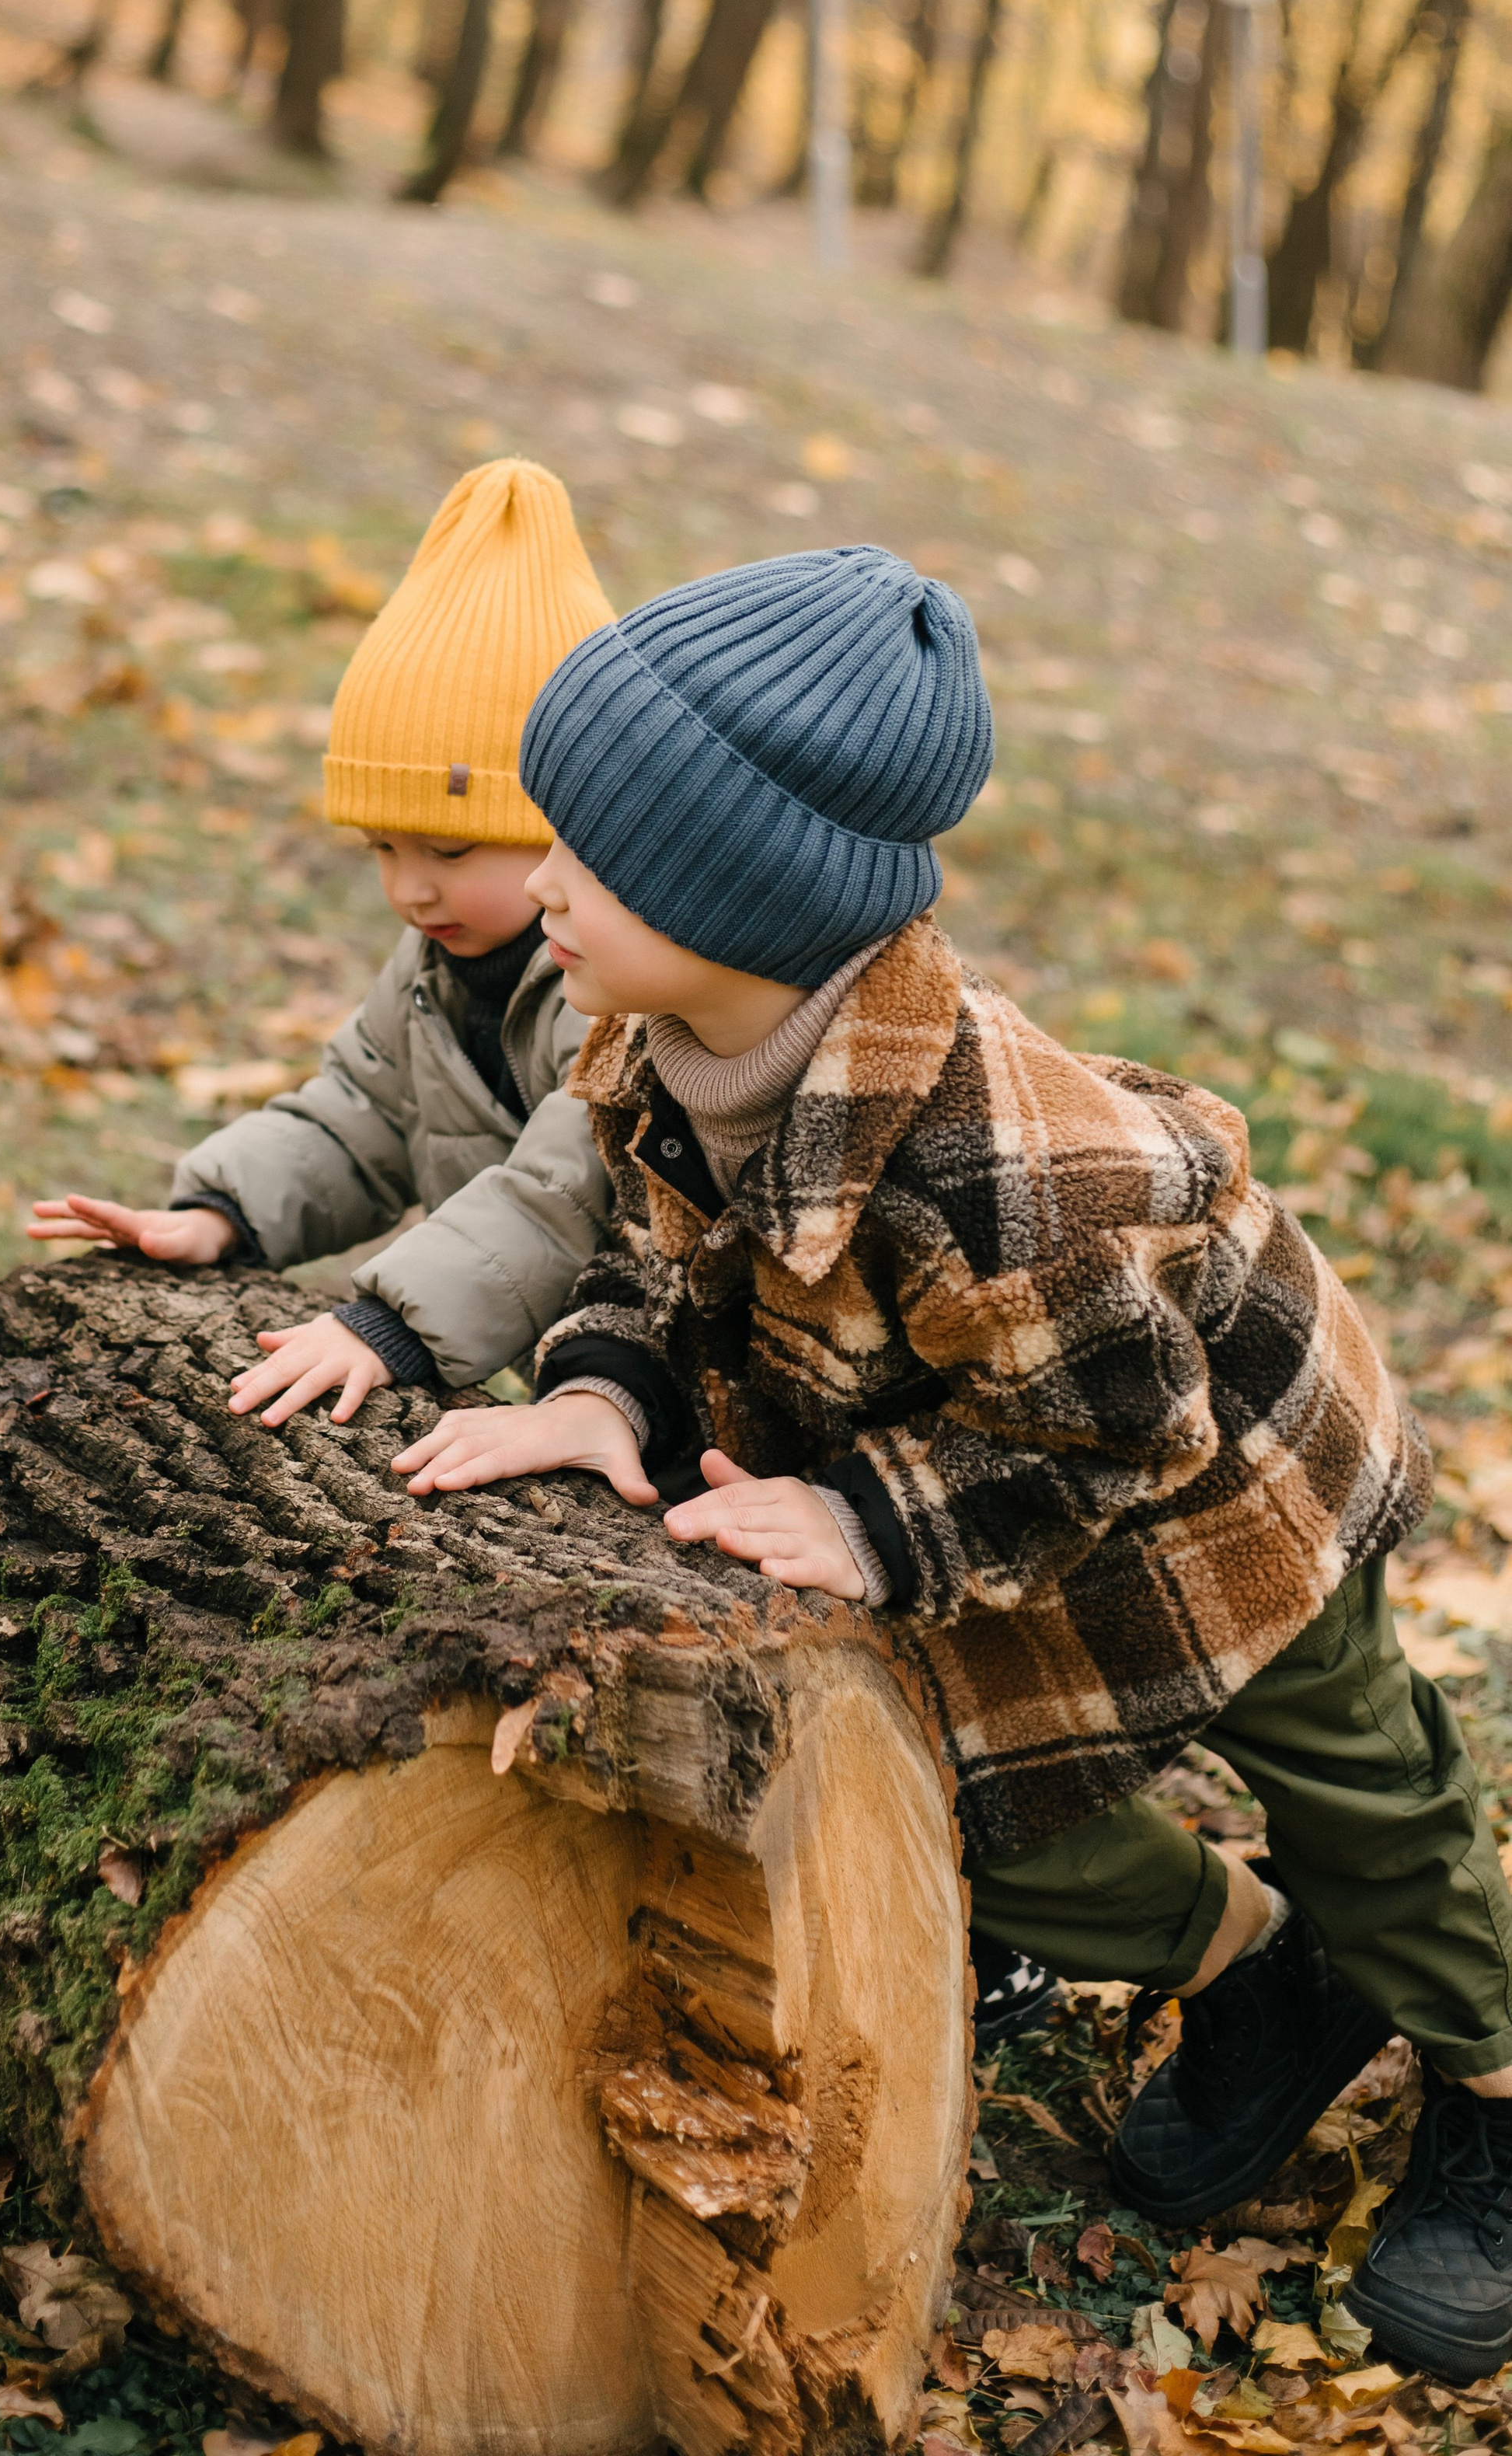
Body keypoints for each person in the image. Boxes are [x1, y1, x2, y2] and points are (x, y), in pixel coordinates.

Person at [392, 542, 1512, 2384]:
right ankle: (1257, 1972)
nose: (542, 885)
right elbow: (647, 1252)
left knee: (1366, 1806)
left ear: (737, 896)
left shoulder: (1003, 1170)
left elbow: (1118, 1420)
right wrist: (602, 1387)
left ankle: (1482, 2085)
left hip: (1222, 1493)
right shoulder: (650, 1033)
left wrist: (860, 1514)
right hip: (970, 1472)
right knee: (971, 1814)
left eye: (588, 853)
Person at [28, 458, 617, 1424]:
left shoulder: (612, 992)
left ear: (573, 828)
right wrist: (222, 1213)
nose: (408, 888)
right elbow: (362, 1114)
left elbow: (562, 1192)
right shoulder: (435, 961)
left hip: (665, 1391)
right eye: (380, 847)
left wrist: (391, 1324)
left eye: (452, 846)